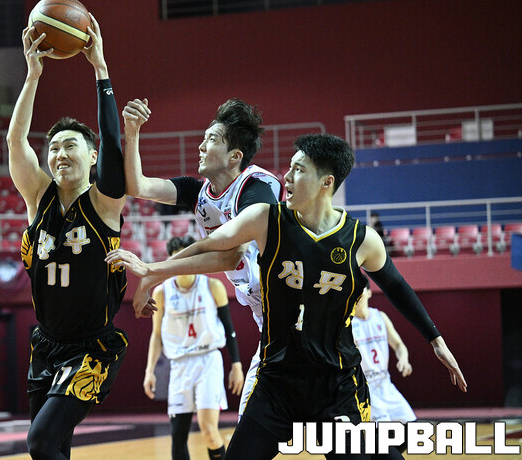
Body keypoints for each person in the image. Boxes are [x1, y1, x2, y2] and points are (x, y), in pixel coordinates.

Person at [107, 133, 467, 459]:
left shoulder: (361, 239)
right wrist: (152, 270)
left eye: (298, 170)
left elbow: (398, 287)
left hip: (336, 385)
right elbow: (212, 243)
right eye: (289, 168)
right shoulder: (266, 219)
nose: (287, 177)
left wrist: (435, 340)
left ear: (326, 182)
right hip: (276, 382)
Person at [8, 15, 129, 460]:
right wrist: (33, 75)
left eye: (70, 146)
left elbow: (113, 143)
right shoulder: (37, 197)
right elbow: (16, 141)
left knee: (39, 442)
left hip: (91, 347)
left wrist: (100, 68)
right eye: (54, 147)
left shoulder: (105, 202)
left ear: (92, 156)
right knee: (55, 448)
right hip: (46, 345)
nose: (59, 153)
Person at [121, 97, 284, 419]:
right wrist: (132, 132)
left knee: (267, 425)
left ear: (235, 156)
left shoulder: (257, 187)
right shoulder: (198, 193)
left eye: (211, 139)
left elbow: (229, 255)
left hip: (297, 309)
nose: (200, 145)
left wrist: (152, 272)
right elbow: (136, 186)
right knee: (267, 427)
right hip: (267, 316)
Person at [144, 236, 243, 460]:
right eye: (177, 258)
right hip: (179, 364)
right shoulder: (161, 292)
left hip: (208, 360)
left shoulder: (212, 286)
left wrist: (236, 365)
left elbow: (229, 329)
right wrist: (150, 371)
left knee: (209, 430)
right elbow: (156, 335)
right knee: (178, 435)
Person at [352, 281, 416, 450]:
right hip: (365, 389)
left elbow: (399, 345)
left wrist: (403, 359)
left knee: (412, 429)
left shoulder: (380, 317)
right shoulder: (347, 324)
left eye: (360, 291)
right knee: (383, 440)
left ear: (369, 293)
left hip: (385, 384)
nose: (357, 295)